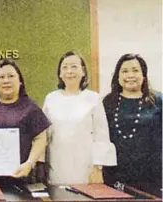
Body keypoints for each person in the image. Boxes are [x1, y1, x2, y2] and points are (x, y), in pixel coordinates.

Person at [42, 51, 117, 185]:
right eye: (65, 67)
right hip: (56, 167)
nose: (69, 71)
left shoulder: (93, 98)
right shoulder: (51, 99)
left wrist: (98, 167)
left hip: (86, 169)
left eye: (74, 66)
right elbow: (44, 136)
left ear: (83, 71)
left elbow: (102, 136)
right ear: (59, 73)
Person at [0, 59, 49, 185]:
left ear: (20, 81)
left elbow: (41, 138)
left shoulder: (31, 108)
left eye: (11, 76)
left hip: (21, 177)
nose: (6, 80)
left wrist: (30, 163)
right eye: (1, 77)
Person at [103, 54, 162, 187]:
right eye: (124, 71)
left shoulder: (158, 101)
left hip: (152, 178)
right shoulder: (108, 102)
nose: (130, 75)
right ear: (117, 76)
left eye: (135, 70)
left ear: (143, 75)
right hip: (114, 176)